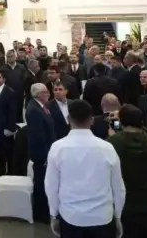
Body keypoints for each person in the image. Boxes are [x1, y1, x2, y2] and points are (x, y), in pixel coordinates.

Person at [45, 100, 126, 238]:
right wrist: (118, 216)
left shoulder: (57, 148)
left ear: (68, 119)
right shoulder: (107, 148)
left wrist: (53, 214)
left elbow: (51, 186)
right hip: (102, 216)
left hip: (71, 216)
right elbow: (118, 187)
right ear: (92, 120)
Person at [107, 105, 147, 238]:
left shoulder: (114, 142)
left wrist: (116, 127)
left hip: (128, 202)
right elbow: (144, 131)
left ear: (122, 122)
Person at [27, 82, 56, 223]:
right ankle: (41, 213)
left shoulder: (41, 107)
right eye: (46, 92)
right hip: (40, 154)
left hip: (44, 151)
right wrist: (46, 156)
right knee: (41, 182)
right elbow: (38, 136)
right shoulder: (34, 110)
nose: (49, 94)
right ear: (38, 95)